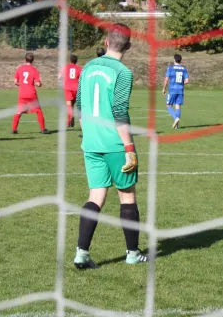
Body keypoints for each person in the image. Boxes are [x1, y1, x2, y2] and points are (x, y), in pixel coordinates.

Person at [74, 23, 147, 269]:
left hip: (91, 143)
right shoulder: (123, 72)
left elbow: (79, 106)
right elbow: (118, 111)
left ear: (106, 41)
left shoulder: (87, 67)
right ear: (128, 45)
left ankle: (81, 254)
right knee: (127, 197)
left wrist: (88, 135)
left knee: (95, 196)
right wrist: (129, 148)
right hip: (116, 145)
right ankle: (132, 253)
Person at [12, 53, 49, 134]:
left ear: (25, 59)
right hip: (31, 93)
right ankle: (43, 129)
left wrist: (22, 85)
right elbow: (38, 84)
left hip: (22, 93)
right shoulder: (34, 70)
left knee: (19, 111)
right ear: (33, 60)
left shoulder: (20, 68)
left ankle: (14, 129)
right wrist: (39, 84)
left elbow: (15, 82)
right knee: (38, 111)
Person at [162, 54, 189, 129]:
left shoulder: (170, 68)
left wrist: (164, 88)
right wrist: (182, 83)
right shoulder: (184, 69)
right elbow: (186, 81)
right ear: (180, 60)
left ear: (174, 59)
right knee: (178, 106)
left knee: (168, 105)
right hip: (180, 90)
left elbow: (166, 79)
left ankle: (175, 118)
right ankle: (176, 126)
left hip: (172, 90)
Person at [58, 54, 82, 128]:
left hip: (67, 88)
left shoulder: (66, 67)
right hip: (76, 88)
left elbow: (59, 77)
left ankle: (69, 121)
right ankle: (71, 119)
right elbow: (82, 78)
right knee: (72, 105)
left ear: (70, 60)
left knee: (69, 105)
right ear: (76, 61)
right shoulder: (79, 68)